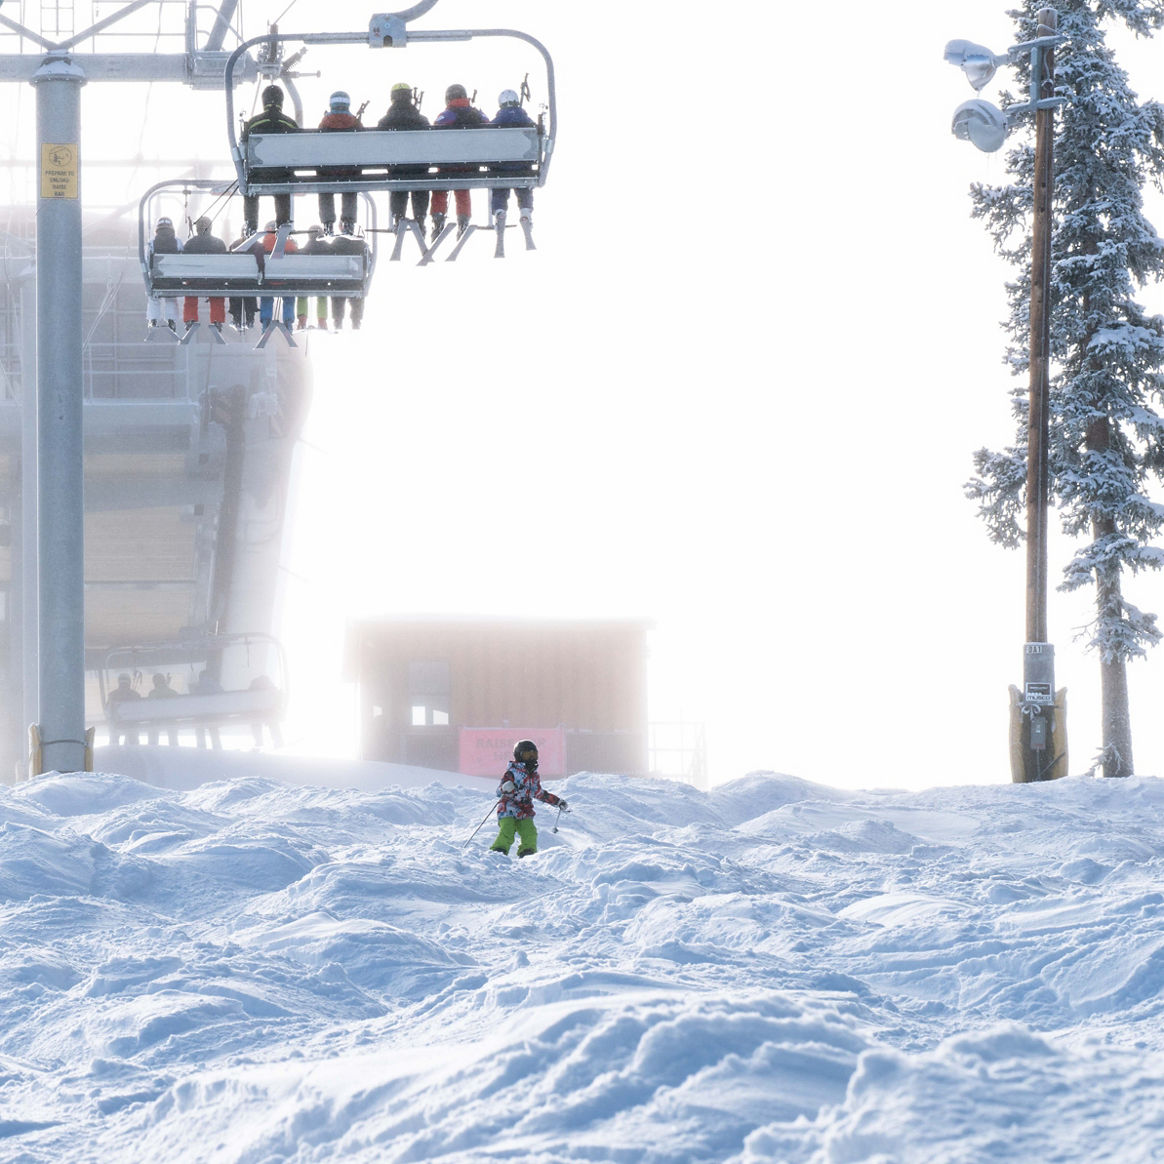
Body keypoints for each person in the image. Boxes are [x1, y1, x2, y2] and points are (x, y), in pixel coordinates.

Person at [489, 739, 567, 858]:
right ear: (519, 756)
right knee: (508, 831)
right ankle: (498, 852)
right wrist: (506, 787)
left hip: (525, 811)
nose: (531, 758)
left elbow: (538, 793)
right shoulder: (512, 772)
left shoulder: (534, 775)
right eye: (527, 755)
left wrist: (556, 801)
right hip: (507, 809)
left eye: (534, 754)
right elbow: (499, 791)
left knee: (530, 833)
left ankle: (527, 853)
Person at [430, 83, 489, 239]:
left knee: (439, 188)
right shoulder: (477, 114)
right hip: (470, 164)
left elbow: (436, 130)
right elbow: (490, 127)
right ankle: (463, 219)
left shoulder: (447, 115)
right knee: (462, 190)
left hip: (448, 163)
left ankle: (438, 218)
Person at [240, 84, 299, 236]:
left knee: (250, 187)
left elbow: (243, 145)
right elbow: (298, 147)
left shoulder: (253, 123)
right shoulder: (289, 123)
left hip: (259, 174)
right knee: (283, 186)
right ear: (281, 101)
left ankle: (250, 223)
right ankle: (283, 222)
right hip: (282, 174)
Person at [377, 81, 431, 235]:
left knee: (397, 185)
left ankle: (398, 217)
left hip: (396, 168)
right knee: (421, 185)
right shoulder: (421, 120)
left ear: (392, 99)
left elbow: (379, 144)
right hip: (419, 168)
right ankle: (420, 218)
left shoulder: (384, 121)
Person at [317, 90, 363, 235]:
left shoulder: (325, 122)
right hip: (350, 169)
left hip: (328, 171)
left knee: (325, 189)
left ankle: (327, 222)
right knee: (350, 189)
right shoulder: (355, 122)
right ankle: (348, 222)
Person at [489, 89, 537, 229]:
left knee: (499, 188)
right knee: (524, 188)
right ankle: (525, 211)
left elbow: (488, 135)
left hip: (501, 166)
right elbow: (535, 137)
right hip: (522, 165)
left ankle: (499, 212)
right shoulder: (525, 119)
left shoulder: (498, 120)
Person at [181, 216, 228, 332]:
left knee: (190, 295)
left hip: (195, 281)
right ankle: (217, 320)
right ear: (210, 228)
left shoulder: (190, 244)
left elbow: (184, 264)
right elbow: (225, 264)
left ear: (197, 229)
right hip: (215, 281)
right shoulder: (219, 243)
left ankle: (190, 318)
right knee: (217, 296)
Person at [258, 221, 298, 331]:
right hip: (285, 280)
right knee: (289, 298)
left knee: (266, 297)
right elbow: (295, 251)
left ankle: (266, 321)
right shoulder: (288, 243)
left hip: (269, 281)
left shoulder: (263, 244)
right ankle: (288, 321)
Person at [146, 216, 181, 331]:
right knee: (171, 298)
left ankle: (153, 320)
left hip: (158, 280)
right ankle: (171, 320)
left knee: (154, 297)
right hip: (173, 280)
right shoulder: (177, 242)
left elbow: (147, 261)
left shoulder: (152, 243)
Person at [296, 225, 332, 329]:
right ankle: (322, 320)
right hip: (322, 281)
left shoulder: (304, 250)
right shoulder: (329, 249)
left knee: (302, 295)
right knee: (322, 296)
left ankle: (302, 321)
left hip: (307, 282)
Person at [330, 231, 367, 330]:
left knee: (337, 294)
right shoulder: (360, 243)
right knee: (358, 294)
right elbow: (368, 260)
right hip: (355, 283)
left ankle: (338, 322)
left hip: (338, 283)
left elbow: (330, 260)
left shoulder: (336, 242)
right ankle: (356, 322)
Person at [228, 228, 262, 331]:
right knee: (250, 293)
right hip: (251, 280)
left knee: (235, 293)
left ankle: (236, 318)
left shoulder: (235, 244)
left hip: (236, 280)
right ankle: (250, 319)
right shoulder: (258, 245)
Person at [106, 672, 143, 745]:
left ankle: (114, 749)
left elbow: (108, 710)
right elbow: (140, 710)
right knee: (133, 740)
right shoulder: (135, 695)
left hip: (119, 723)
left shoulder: (112, 695)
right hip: (130, 724)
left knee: (114, 739)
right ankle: (132, 748)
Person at [146, 672, 180, 746]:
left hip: (158, 720)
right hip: (168, 719)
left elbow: (150, 706)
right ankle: (174, 749)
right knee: (172, 736)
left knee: (153, 731)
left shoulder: (152, 693)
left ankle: (152, 748)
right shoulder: (172, 692)